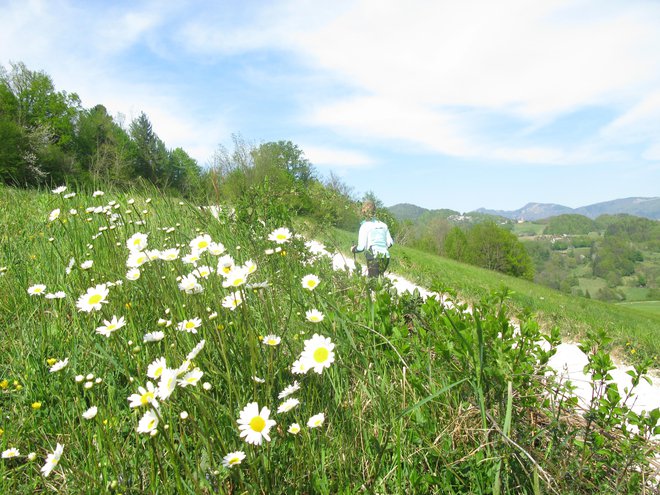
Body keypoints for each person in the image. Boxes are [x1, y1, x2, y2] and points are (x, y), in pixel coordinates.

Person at [351, 200, 393, 277]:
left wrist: (353, 249)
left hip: (373, 257)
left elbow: (361, 248)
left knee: (373, 282)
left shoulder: (365, 226)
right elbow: (390, 243)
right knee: (379, 280)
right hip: (385, 257)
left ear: (363, 212)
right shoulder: (383, 225)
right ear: (374, 211)